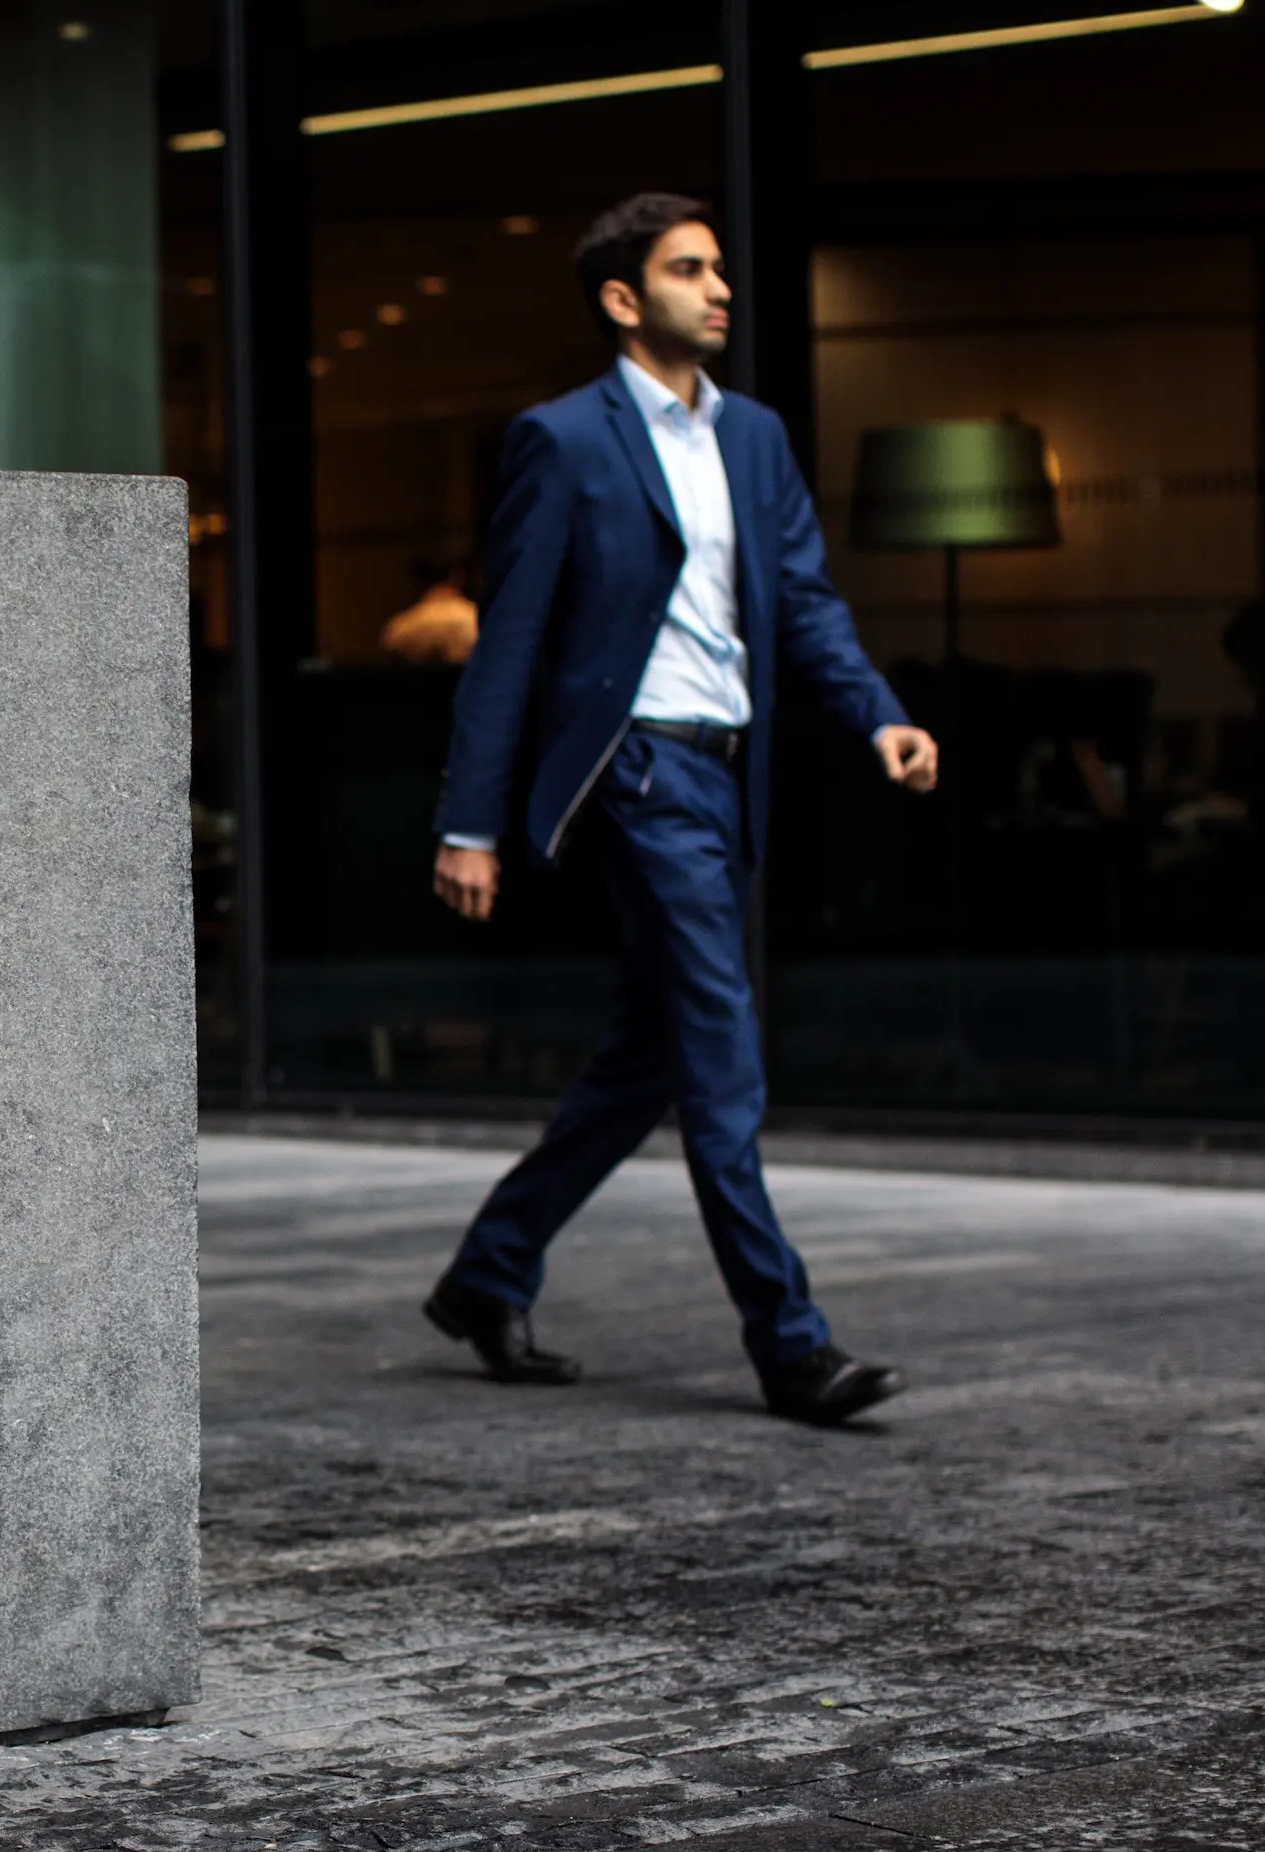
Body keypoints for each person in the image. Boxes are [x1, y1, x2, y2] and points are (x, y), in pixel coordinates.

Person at [425, 192, 941, 1426]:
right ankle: (790, 1345)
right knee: (718, 1052)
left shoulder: (752, 437)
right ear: (621, 299)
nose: (718, 289)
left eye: (718, 269)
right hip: (639, 776)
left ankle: (487, 1273)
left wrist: (876, 713)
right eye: (688, 270)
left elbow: (802, 599)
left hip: (724, 773)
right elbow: (510, 642)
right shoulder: (561, 441)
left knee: (647, 1059)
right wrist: (468, 823)